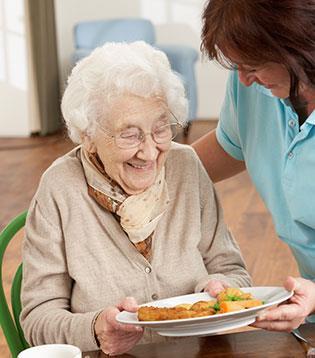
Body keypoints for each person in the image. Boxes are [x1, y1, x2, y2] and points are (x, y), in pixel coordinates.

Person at [20, 41, 251, 356]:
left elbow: (233, 270)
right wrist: (94, 329)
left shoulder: (186, 166)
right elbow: (38, 317)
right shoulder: (60, 187)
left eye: (160, 129)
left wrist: (221, 290)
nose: (149, 151)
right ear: (88, 135)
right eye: (129, 134)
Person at [193, 0, 315, 332]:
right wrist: (150, 174)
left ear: (299, 45)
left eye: (254, 64)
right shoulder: (255, 86)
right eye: (238, 65)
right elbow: (231, 146)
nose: (244, 79)